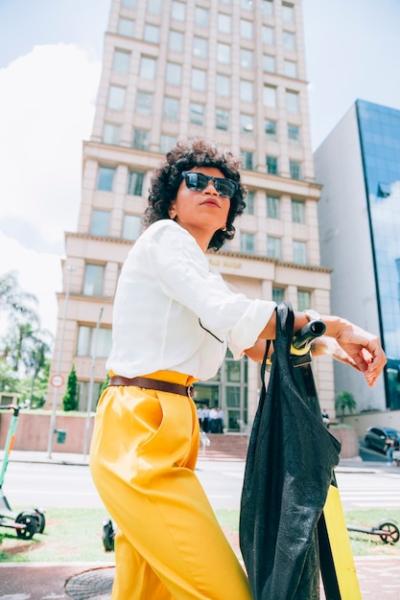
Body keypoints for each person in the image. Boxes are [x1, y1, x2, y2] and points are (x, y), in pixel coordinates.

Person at [89, 139, 387, 600]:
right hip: (139, 426)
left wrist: (330, 346)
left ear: (230, 212)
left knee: (146, 591)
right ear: (171, 198)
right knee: (227, 592)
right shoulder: (165, 239)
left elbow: (251, 342)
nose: (212, 189)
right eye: (196, 181)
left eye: (223, 186)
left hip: (165, 425)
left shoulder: (200, 271)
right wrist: (338, 326)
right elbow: (232, 315)